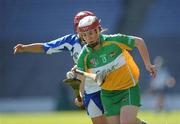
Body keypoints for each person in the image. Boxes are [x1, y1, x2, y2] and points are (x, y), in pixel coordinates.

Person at [13, 11, 107, 124]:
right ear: (76, 28)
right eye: (81, 25)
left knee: (119, 121)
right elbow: (46, 46)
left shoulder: (105, 40)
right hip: (89, 89)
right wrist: (24, 48)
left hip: (108, 86)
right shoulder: (71, 41)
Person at [76, 15, 157, 124]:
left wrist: (148, 64)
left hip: (128, 88)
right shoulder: (84, 55)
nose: (88, 37)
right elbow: (81, 76)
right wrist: (80, 95)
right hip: (108, 94)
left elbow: (139, 42)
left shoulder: (114, 40)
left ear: (98, 30)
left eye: (91, 33)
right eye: (84, 35)